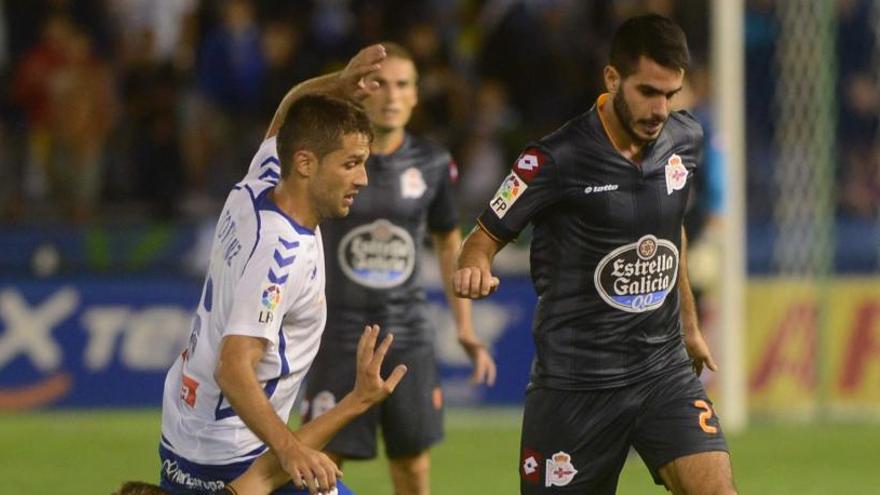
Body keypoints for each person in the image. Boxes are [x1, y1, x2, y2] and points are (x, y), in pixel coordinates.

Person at [453, 15, 737, 495]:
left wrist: (688, 326)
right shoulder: (552, 159)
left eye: (671, 94)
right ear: (612, 79)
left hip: (662, 371)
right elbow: (478, 242)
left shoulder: (684, 140)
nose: (660, 109)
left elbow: (672, 233)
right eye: (648, 91)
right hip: (575, 387)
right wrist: (474, 270)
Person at [158, 45, 408, 495]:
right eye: (351, 164)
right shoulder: (280, 256)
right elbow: (234, 367)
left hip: (188, 432)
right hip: (229, 455)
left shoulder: (259, 183)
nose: (363, 179)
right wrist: (291, 451)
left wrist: (337, 85)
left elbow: (289, 111)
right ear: (307, 164)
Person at [301, 42, 497, 495]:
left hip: (407, 333)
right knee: (320, 466)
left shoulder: (432, 163)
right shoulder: (328, 156)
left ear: (415, 96)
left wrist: (464, 324)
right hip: (338, 335)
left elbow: (449, 241)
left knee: (411, 468)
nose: (392, 95)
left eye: (403, 85)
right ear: (360, 92)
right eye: (381, 84)